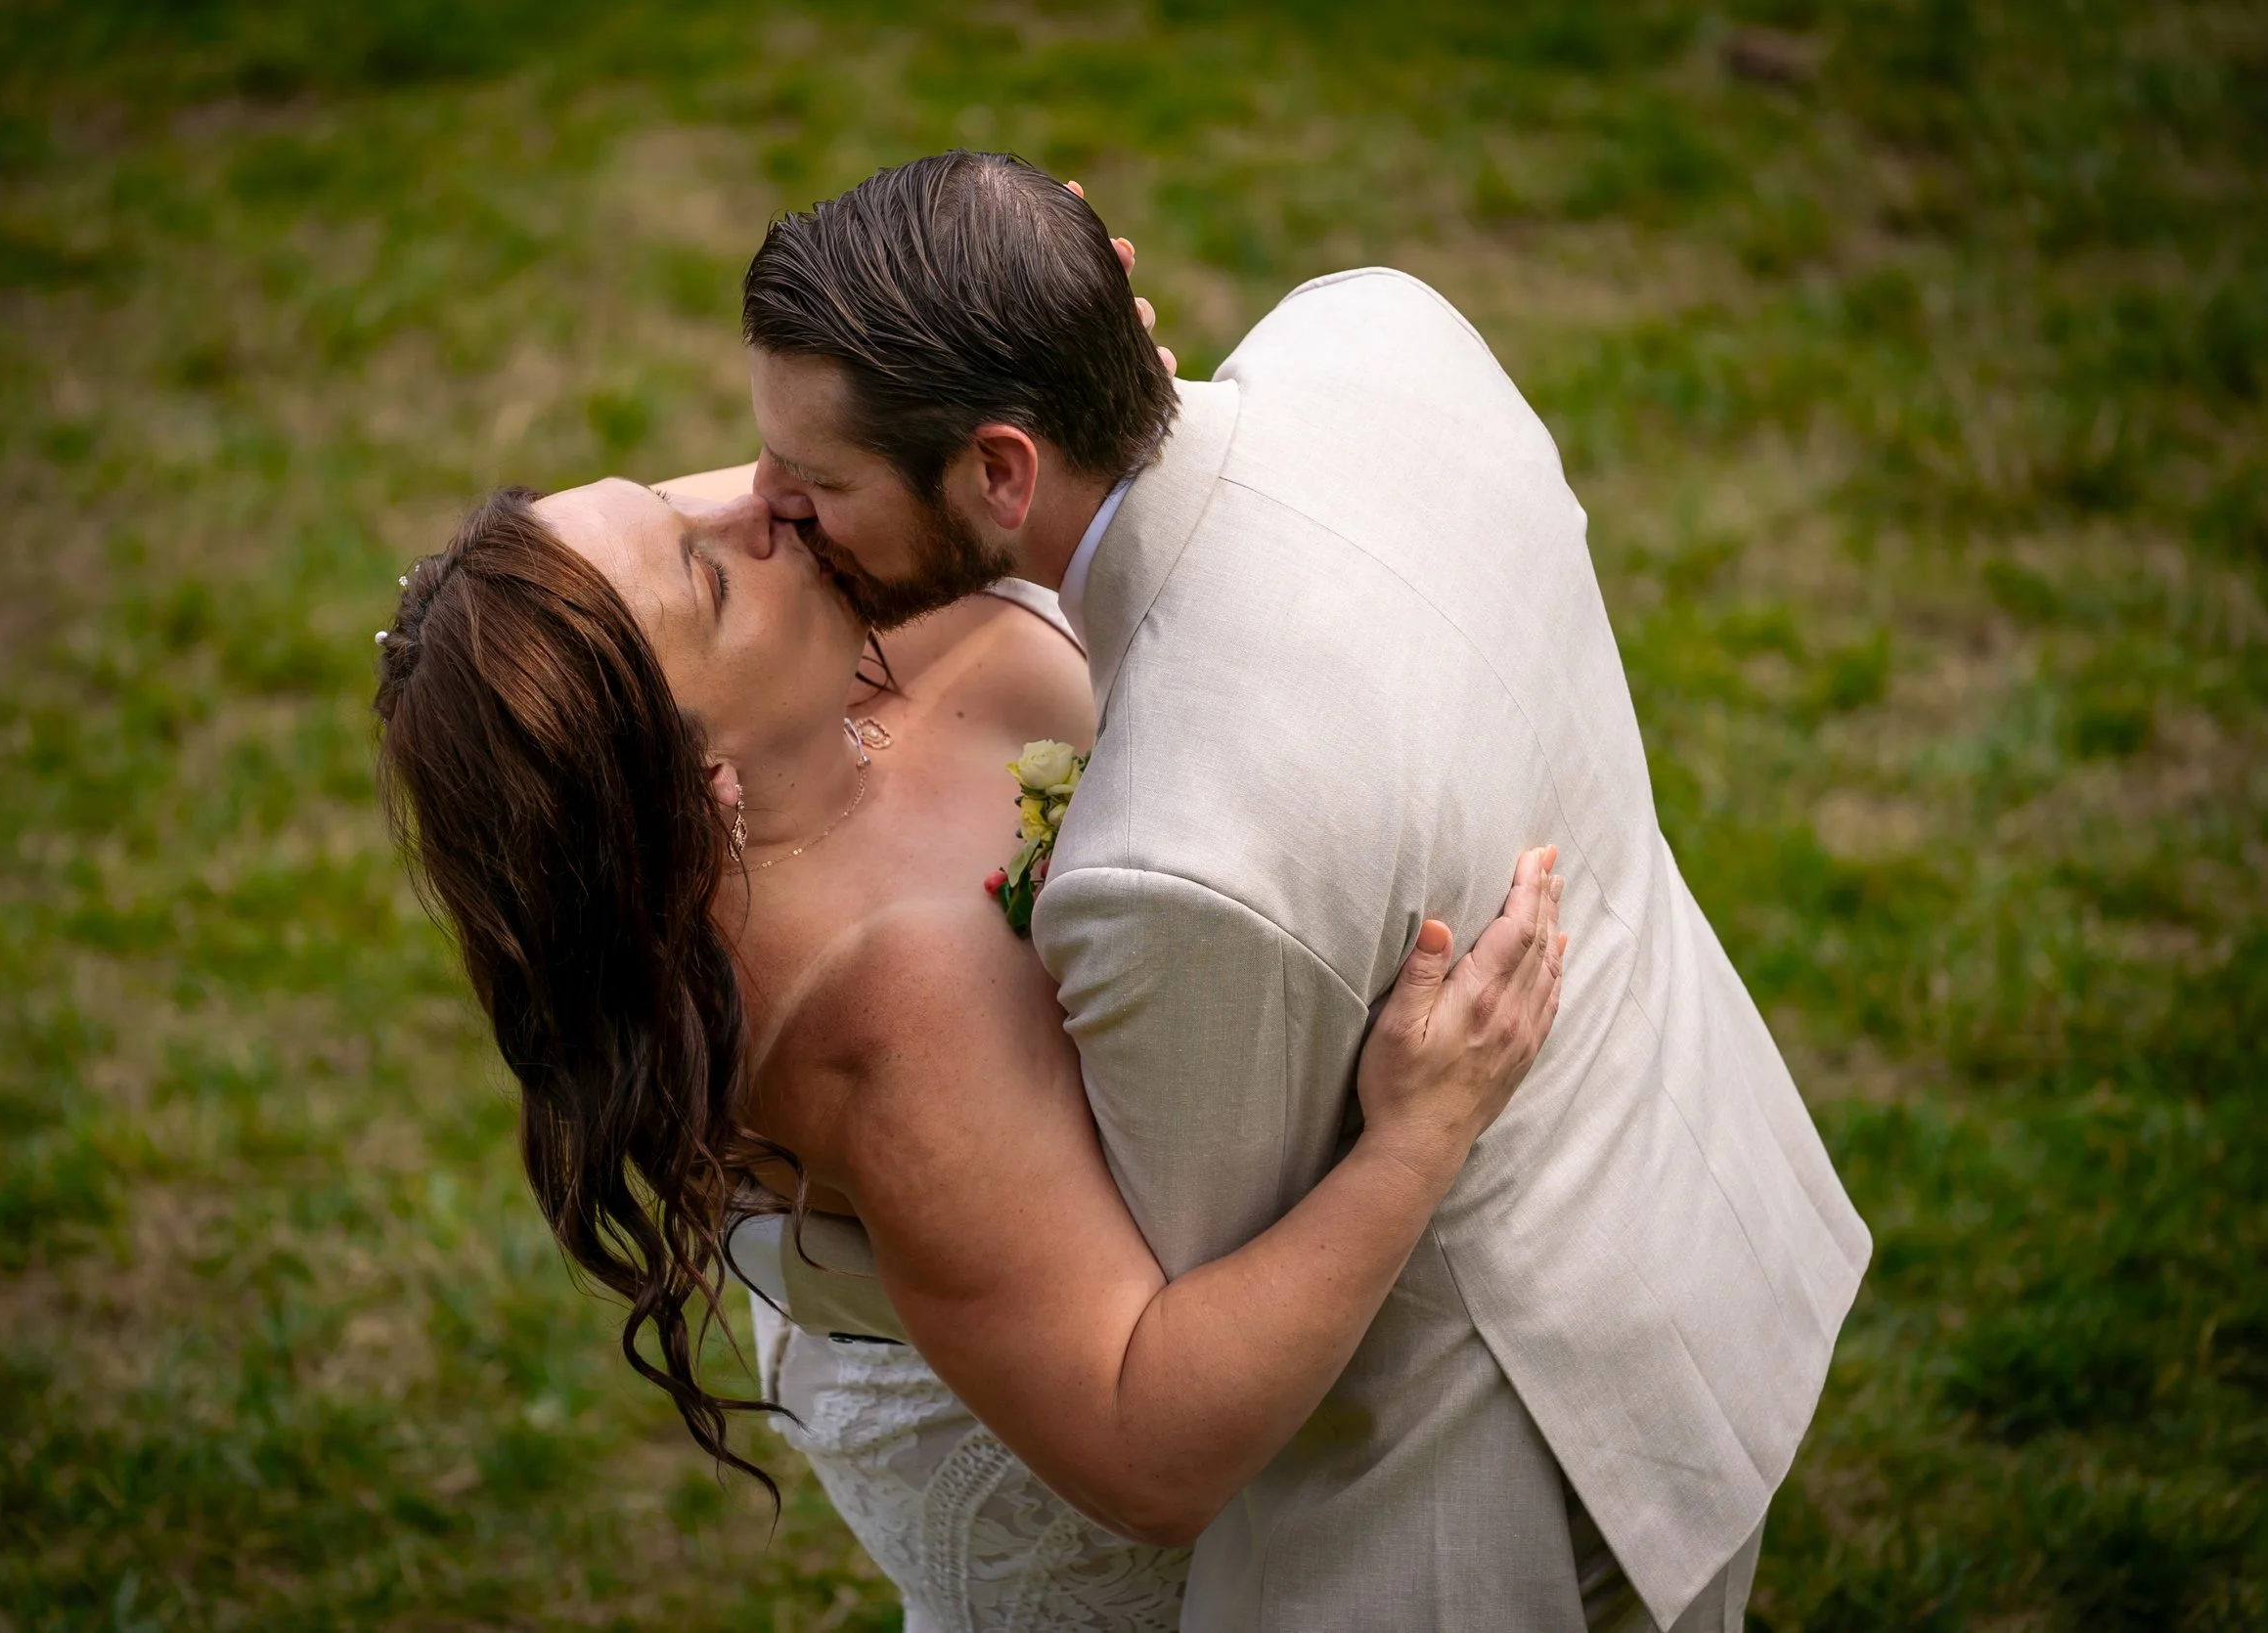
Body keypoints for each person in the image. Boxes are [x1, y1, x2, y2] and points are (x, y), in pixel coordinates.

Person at [738, 151, 1873, 1631]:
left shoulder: (1176, 861)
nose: (762, 505)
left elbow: (1164, 1305)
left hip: (1483, 1470)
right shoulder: (1380, 328)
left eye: (818, 482)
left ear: (1002, 471)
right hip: (1690, 1190)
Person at [371, 472, 1570, 1630]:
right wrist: (1417, 1134)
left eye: (670, 499)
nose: (760, 498)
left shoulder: (727, 611)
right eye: (709, 569)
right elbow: (1147, 1454)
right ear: (700, 782)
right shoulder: (887, 1013)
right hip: (1051, 1439)